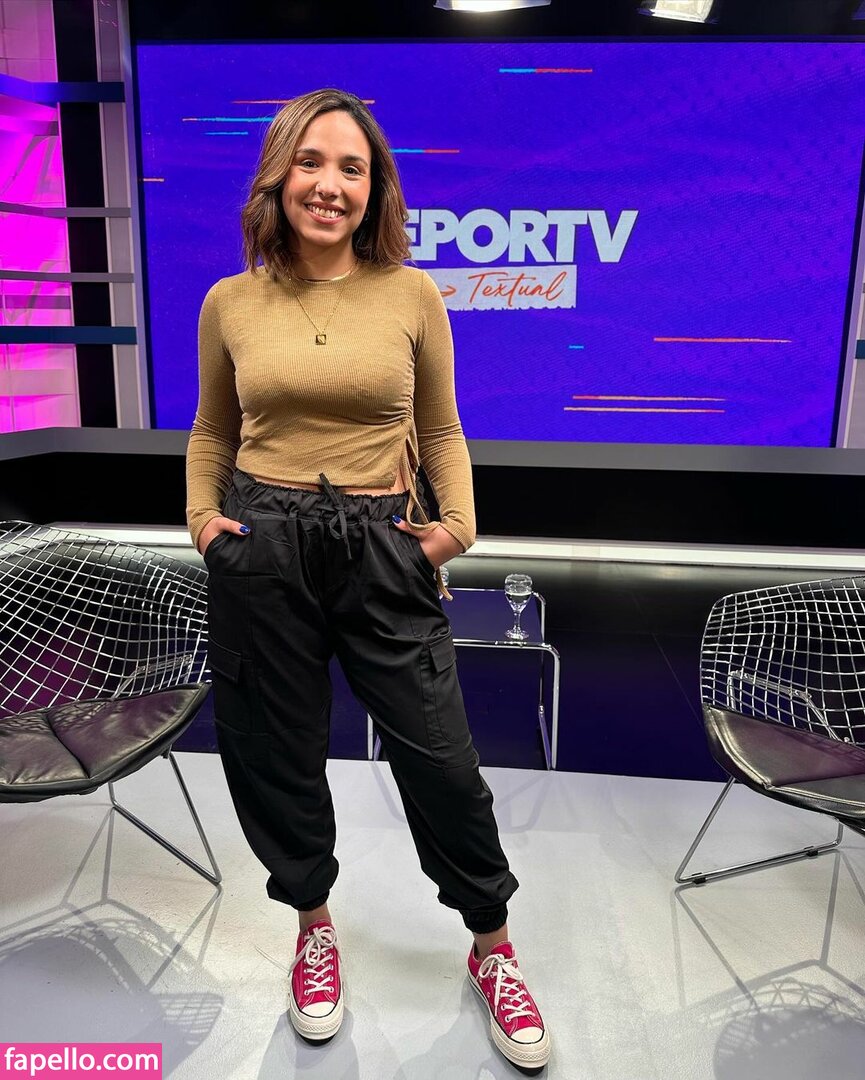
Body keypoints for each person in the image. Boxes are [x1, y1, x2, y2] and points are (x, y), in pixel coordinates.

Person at [186, 87, 550, 1069]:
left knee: (441, 760)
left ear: (374, 187)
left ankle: (492, 945)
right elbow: (213, 430)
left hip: (383, 543)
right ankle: (313, 927)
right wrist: (204, 524)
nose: (329, 184)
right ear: (277, 175)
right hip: (263, 542)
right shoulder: (230, 301)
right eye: (310, 162)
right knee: (275, 753)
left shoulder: (412, 293)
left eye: (351, 167)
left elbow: (441, 428)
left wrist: (455, 531)